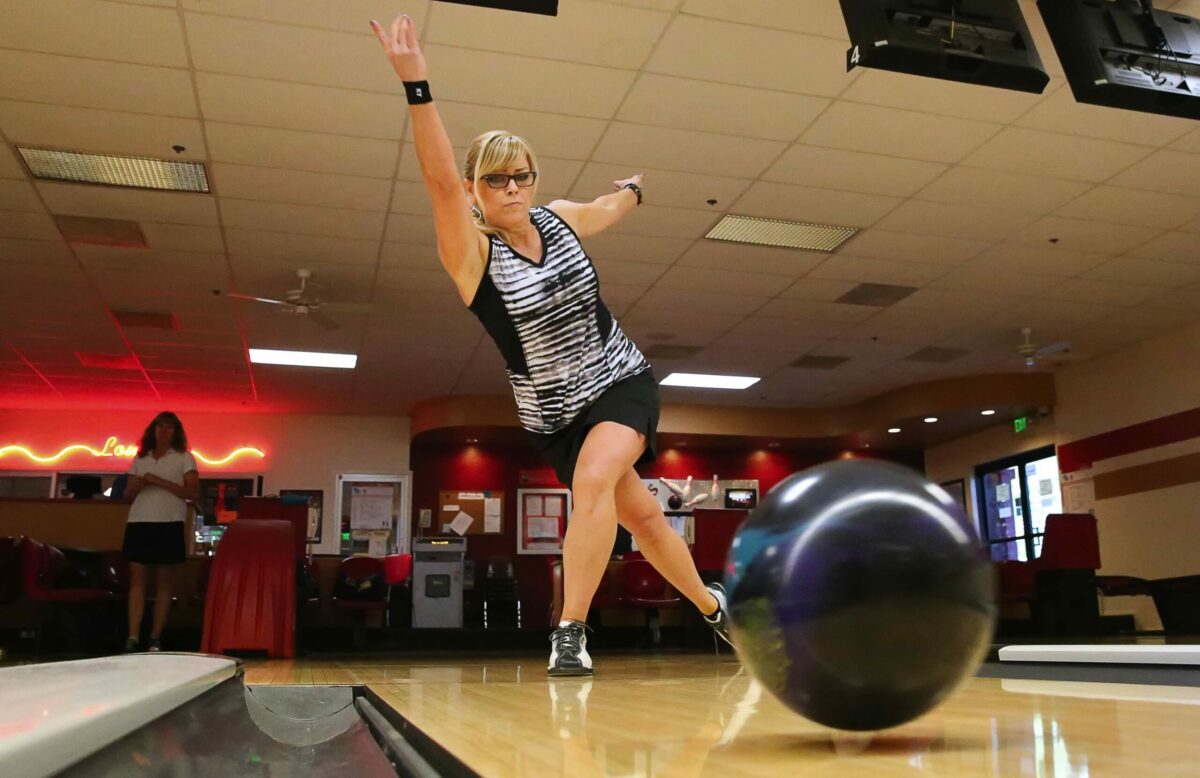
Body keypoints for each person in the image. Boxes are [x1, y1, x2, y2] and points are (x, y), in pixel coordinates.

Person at [372, 14, 733, 677]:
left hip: (619, 379)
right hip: (555, 413)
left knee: (595, 483)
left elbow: (605, 208)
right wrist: (416, 85)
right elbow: (438, 183)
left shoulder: (557, 218)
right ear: (477, 192)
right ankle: (714, 607)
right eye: (497, 180)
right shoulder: (470, 256)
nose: (513, 189)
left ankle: (569, 631)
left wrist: (632, 191)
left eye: (522, 176)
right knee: (646, 521)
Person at [120, 412, 199, 652]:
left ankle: (155, 637)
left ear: (176, 432)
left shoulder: (185, 458)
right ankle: (133, 636)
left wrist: (158, 481)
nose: (163, 431)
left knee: (164, 582)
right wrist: (133, 487)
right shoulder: (140, 458)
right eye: (159, 426)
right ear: (153, 430)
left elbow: (192, 494)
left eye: (168, 427)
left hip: (169, 521)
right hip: (139, 520)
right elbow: (127, 497)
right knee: (137, 581)